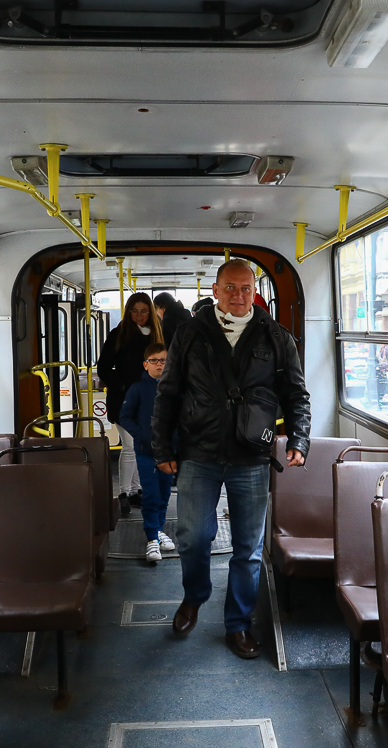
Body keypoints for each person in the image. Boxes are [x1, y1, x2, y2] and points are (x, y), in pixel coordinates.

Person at [151, 259, 311, 659]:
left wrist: (300, 438)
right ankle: (195, 596)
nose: (238, 296)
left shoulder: (276, 336)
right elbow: (168, 394)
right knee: (192, 536)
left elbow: (296, 394)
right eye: (230, 288)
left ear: (253, 290)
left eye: (245, 288)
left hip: (252, 456)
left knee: (248, 547)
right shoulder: (190, 333)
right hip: (199, 452)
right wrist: (161, 448)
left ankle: (237, 623)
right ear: (216, 290)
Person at [96, 292, 164, 514]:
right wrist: (122, 385)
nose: (139, 315)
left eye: (144, 311)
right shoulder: (119, 334)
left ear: (151, 313)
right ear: (128, 312)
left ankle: (135, 490)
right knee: (130, 446)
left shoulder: (157, 334)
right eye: (134, 311)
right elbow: (104, 366)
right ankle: (124, 492)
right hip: (123, 400)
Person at [118, 343, 178, 562]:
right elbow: (125, 416)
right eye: (154, 361)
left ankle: (159, 530)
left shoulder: (176, 388)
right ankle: (152, 538)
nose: (159, 365)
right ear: (145, 365)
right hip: (145, 451)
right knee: (151, 495)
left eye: (163, 360)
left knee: (164, 494)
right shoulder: (137, 389)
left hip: (169, 452)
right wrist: (141, 434)